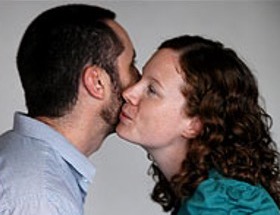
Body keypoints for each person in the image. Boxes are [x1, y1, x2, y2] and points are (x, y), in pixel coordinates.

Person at [116, 35, 280, 214]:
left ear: (194, 124)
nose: (129, 93)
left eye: (152, 90)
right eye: (140, 79)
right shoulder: (212, 196)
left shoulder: (218, 205)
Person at [0, 4, 139, 215]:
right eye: (132, 65)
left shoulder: (21, 159)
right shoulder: (43, 199)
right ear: (97, 82)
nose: (139, 82)